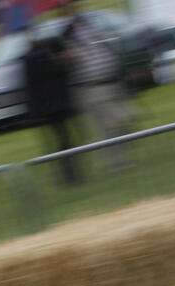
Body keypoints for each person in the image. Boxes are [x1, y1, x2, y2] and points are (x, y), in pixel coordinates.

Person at [62, 1, 134, 171]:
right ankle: (116, 162)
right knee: (110, 124)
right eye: (69, 6)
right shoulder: (67, 34)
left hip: (111, 80)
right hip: (92, 87)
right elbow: (63, 61)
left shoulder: (90, 24)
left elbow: (105, 46)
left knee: (125, 119)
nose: (74, 9)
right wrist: (70, 56)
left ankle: (120, 158)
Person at [22, 28, 82, 185]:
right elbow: (59, 70)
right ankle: (71, 175)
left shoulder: (29, 57)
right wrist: (65, 59)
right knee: (65, 142)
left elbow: (29, 87)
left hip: (49, 107)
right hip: (56, 106)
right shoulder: (42, 55)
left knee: (60, 143)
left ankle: (68, 174)